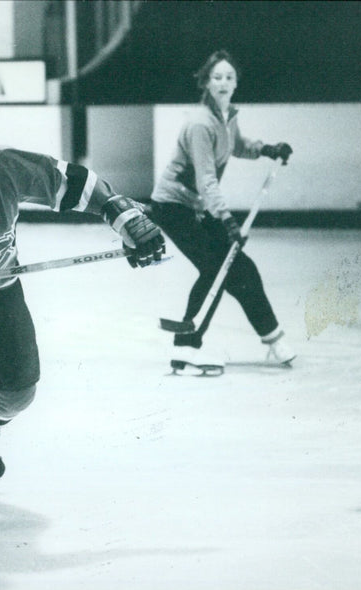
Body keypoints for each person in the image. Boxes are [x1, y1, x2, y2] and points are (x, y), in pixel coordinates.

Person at [0, 99, 165, 527]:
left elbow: (72, 182)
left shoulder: (3, 168)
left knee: (20, 393)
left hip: (3, 294)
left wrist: (124, 215)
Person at [149, 49, 296, 376]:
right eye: (217, 77)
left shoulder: (226, 116)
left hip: (198, 207)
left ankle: (271, 336)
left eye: (229, 77)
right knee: (215, 270)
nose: (224, 82)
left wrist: (266, 149)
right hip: (174, 207)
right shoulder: (200, 124)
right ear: (206, 82)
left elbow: (237, 145)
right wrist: (227, 220)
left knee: (241, 267)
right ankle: (186, 349)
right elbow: (206, 179)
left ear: (236, 82)